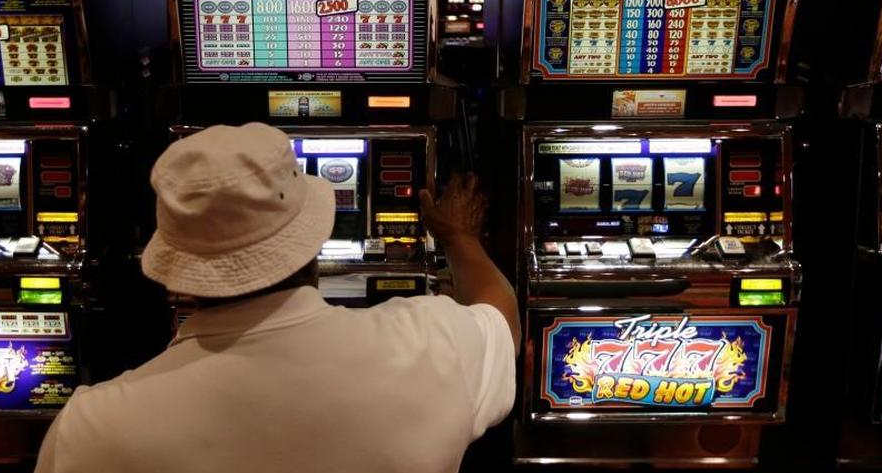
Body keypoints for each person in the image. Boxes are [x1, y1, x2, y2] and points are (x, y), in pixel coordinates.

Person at [34, 122, 519, 473]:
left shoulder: (90, 428)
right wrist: (459, 238)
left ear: (175, 272)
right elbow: (503, 317)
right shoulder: (430, 343)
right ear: (312, 239)